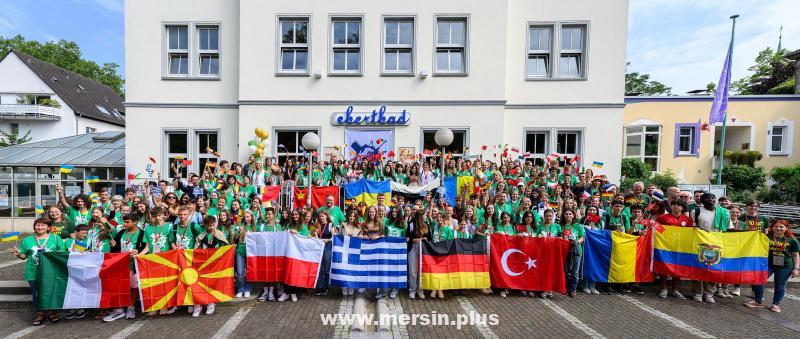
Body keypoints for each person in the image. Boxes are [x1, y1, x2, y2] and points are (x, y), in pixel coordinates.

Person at [12, 217, 66, 325]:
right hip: (33, 271)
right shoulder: (27, 240)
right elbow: (24, 256)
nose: (40, 227)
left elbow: (62, 253)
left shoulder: (56, 238)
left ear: (48, 227)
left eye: (43, 225)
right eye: (38, 225)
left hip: (51, 271)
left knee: (51, 292)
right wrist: (18, 254)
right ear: (34, 227)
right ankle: (40, 314)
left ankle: (52, 312)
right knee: (36, 293)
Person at [745, 220, 800, 313]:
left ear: (786, 228)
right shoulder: (766, 237)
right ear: (772, 227)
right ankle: (758, 301)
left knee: (780, 286)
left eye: (781, 227)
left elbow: (795, 255)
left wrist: (796, 268)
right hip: (767, 264)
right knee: (757, 280)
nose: (778, 228)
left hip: (785, 266)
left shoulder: (793, 240)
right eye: (776, 226)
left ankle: (776, 304)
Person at [105, 213, 149, 322]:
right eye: (124, 222)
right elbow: (115, 249)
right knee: (120, 286)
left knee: (133, 286)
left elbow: (146, 248)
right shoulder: (120, 233)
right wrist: (113, 245)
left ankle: (131, 307)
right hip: (121, 264)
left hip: (134, 264)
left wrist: (138, 252)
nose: (124, 224)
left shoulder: (142, 233)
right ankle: (119, 309)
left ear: (135, 222)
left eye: (127, 222)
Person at [691, 193, 730, 303]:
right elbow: (693, 227)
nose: (711, 199)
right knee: (698, 268)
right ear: (702, 201)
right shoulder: (696, 211)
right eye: (708, 198)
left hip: (716, 244)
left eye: (713, 198)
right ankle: (697, 292)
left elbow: (728, 229)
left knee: (713, 268)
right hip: (700, 243)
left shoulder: (724, 212)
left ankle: (709, 293)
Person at [654, 199, 692, 300]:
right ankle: (664, 288)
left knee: (678, 267)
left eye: (678, 205)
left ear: (683, 207)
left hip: (680, 248)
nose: (676, 206)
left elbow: (690, 234)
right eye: (674, 204)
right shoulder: (662, 217)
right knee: (664, 267)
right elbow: (656, 228)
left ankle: (675, 290)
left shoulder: (687, 220)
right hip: (665, 246)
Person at [192, 216, 229, 317]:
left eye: (213, 225)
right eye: (209, 225)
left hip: (215, 264)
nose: (211, 227)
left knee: (212, 283)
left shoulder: (219, 234)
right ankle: (198, 305)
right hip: (203, 264)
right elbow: (196, 250)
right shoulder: (201, 236)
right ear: (205, 225)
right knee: (201, 284)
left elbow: (226, 247)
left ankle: (211, 303)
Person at [561, 209, 585, 298]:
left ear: (573, 215)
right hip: (565, 250)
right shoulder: (561, 226)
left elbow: (582, 238)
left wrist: (576, 242)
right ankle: (565, 287)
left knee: (575, 272)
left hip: (576, 251)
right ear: (563, 216)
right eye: (566, 214)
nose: (568, 216)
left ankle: (573, 289)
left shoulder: (578, 226)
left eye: (570, 214)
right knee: (566, 271)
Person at [315, 211, 334, 296]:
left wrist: (328, 240)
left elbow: (333, 237)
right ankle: (319, 286)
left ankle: (325, 286)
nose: (321, 218)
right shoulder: (317, 225)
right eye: (320, 216)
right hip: (319, 246)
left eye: (323, 216)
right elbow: (315, 235)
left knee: (326, 268)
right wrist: (315, 235)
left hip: (327, 246)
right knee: (319, 268)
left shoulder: (330, 225)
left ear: (326, 216)